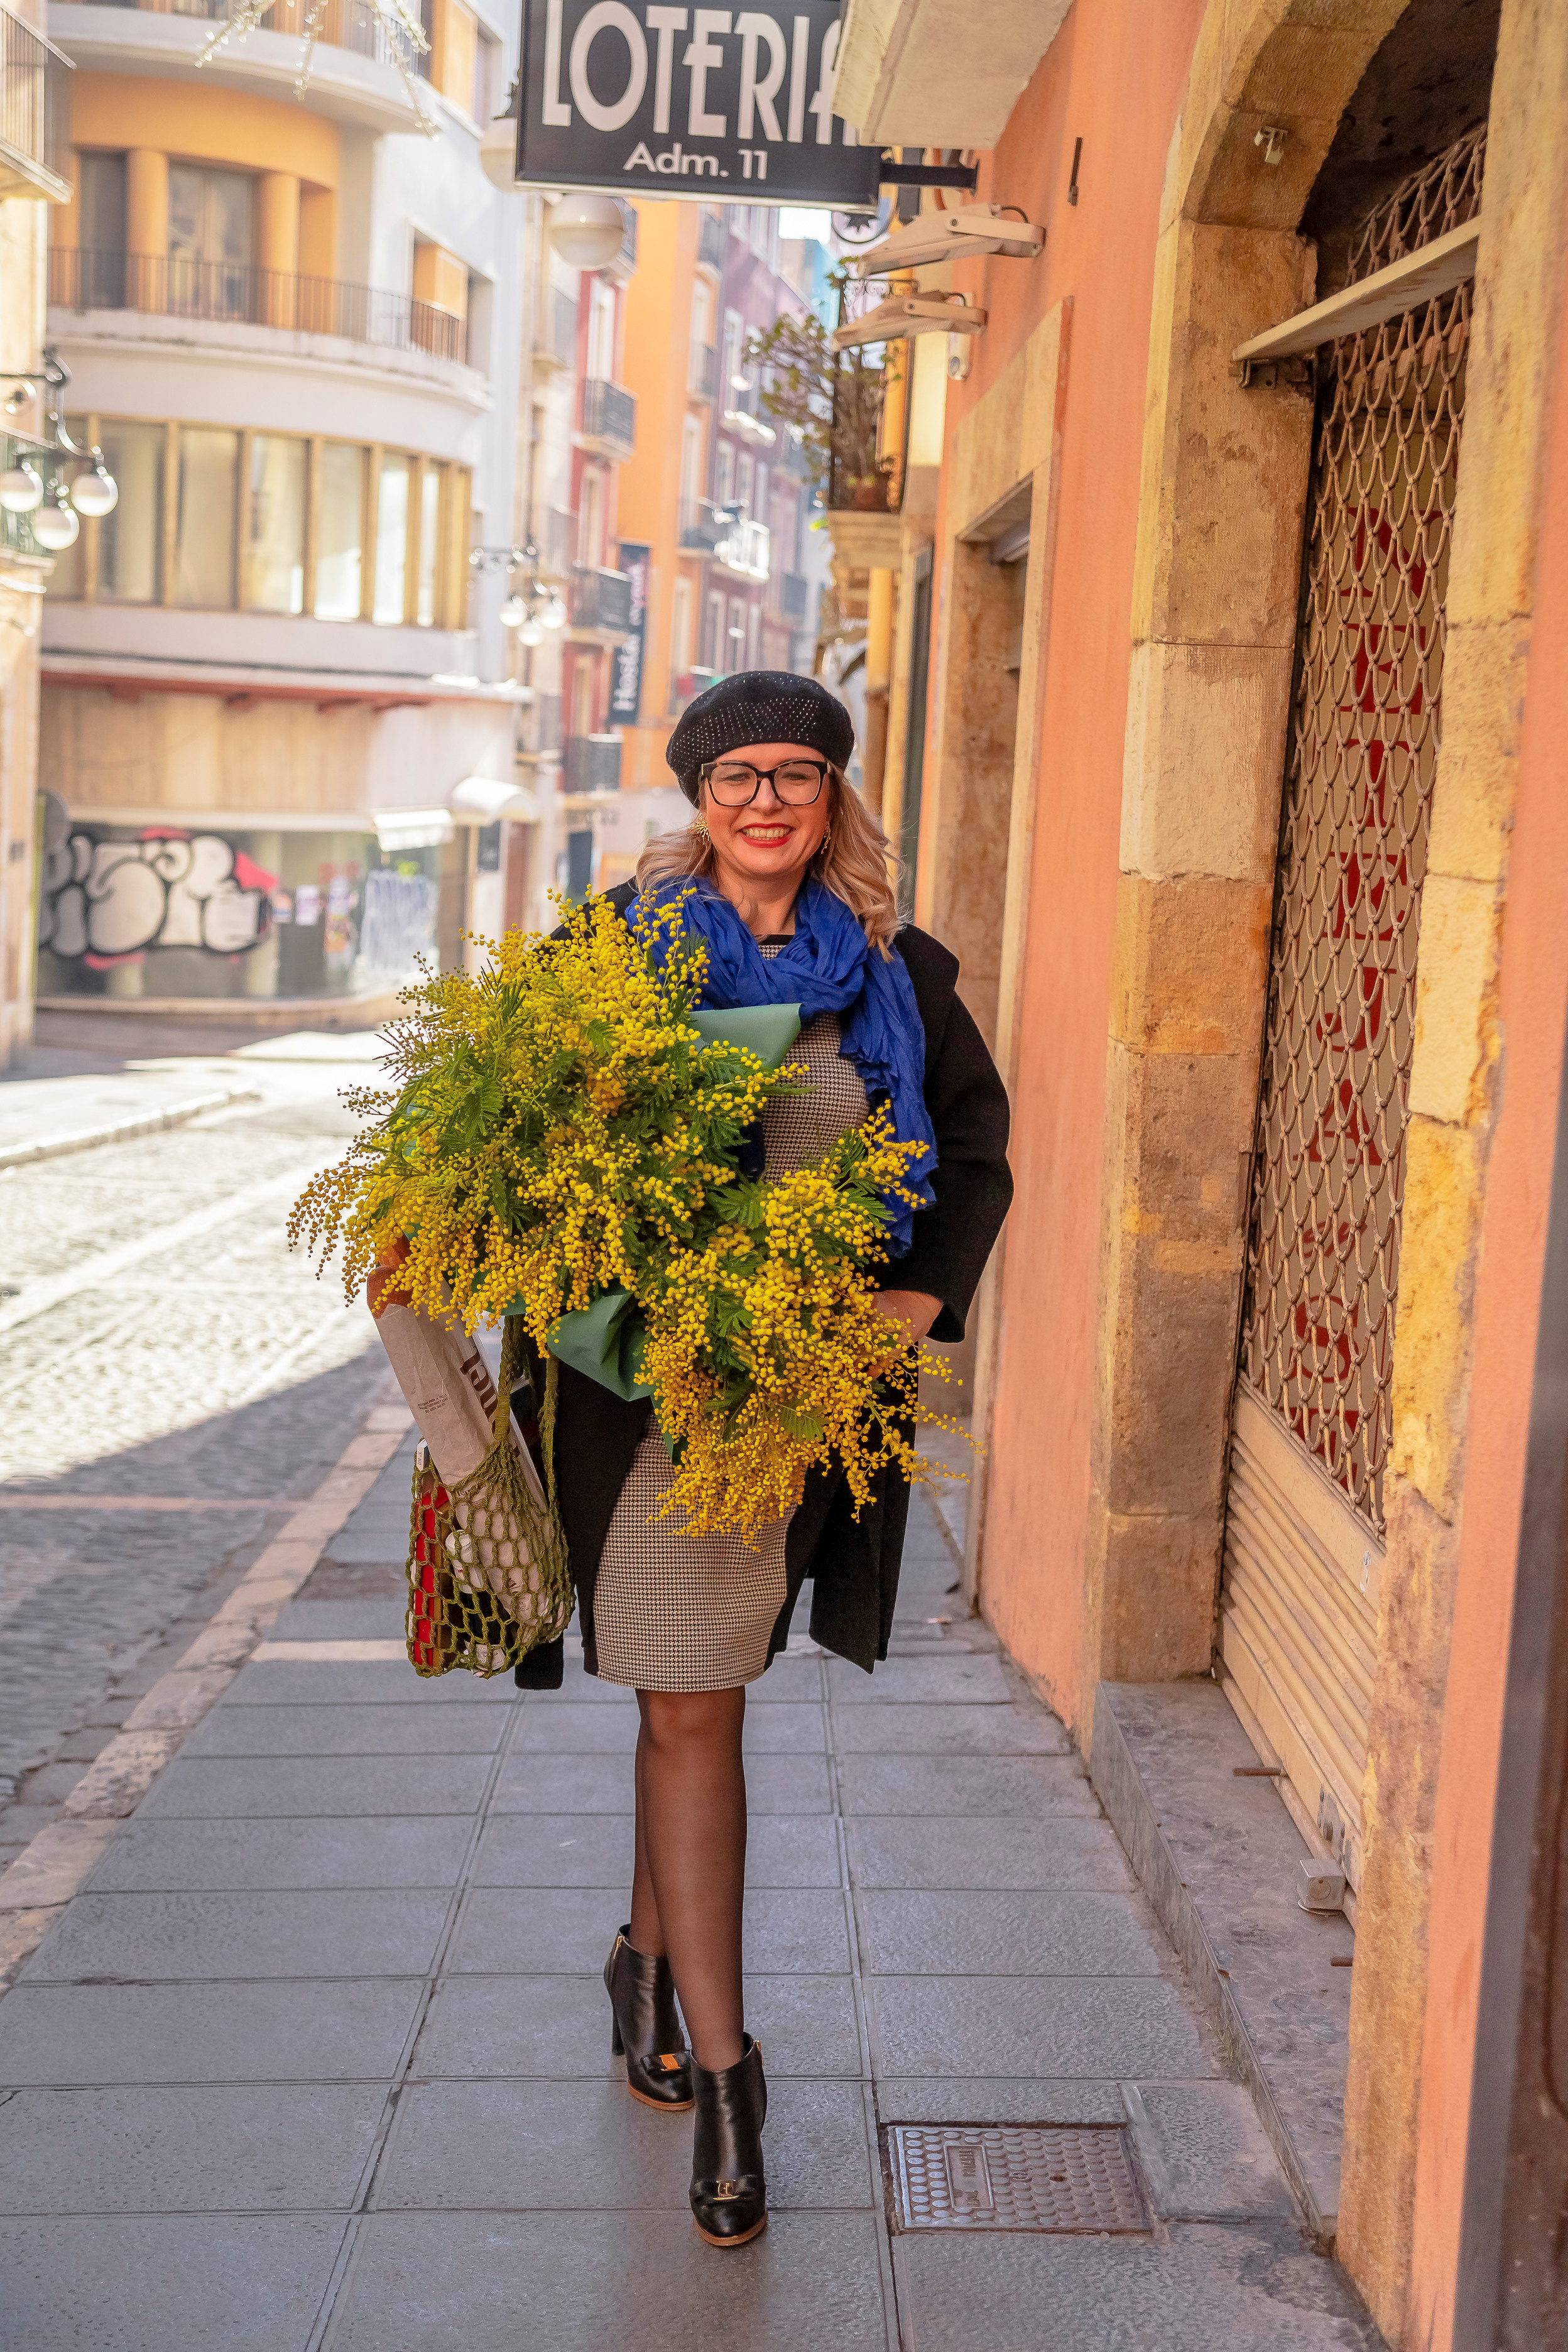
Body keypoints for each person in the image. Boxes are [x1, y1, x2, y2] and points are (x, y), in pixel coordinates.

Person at [518, 672, 1013, 2248]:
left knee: (695, 1689)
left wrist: (917, 1292)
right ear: (697, 794)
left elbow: (975, 1146)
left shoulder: (897, 969)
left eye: (799, 773)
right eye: (737, 774)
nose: (767, 801)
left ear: (833, 794)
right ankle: (731, 2076)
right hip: (645, 1394)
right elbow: (519, 1138)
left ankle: (645, 1965)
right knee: (689, 1693)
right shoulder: (612, 954)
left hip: (794, 1400)